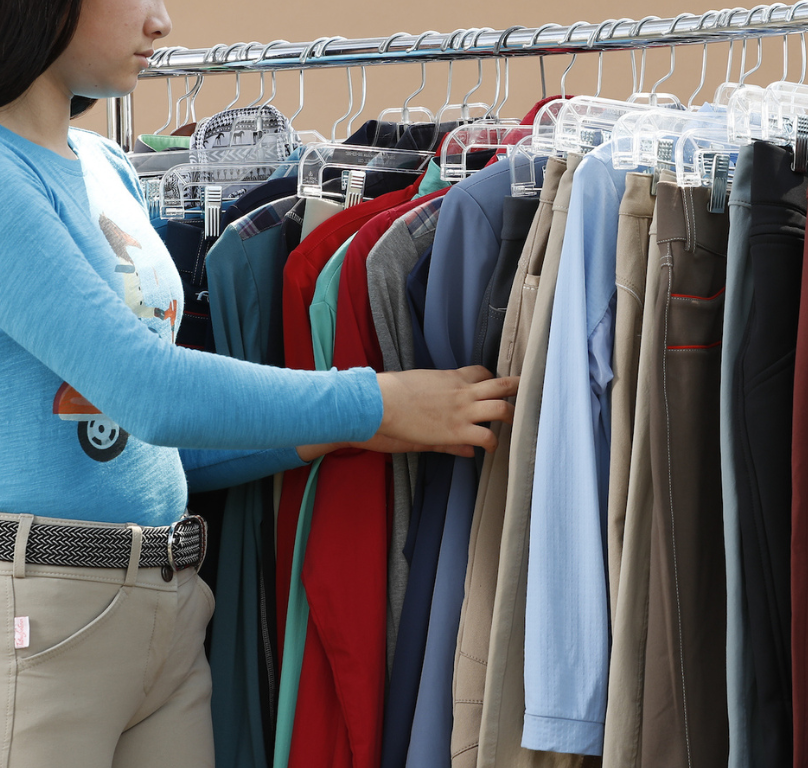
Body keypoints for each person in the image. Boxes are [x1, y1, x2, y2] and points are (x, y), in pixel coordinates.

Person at [0, 0, 518, 763]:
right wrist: (374, 399)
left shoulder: (105, 167)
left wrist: (351, 430)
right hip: (43, 616)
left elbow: (163, 446)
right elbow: (151, 391)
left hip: (170, 602)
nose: (162, 21)